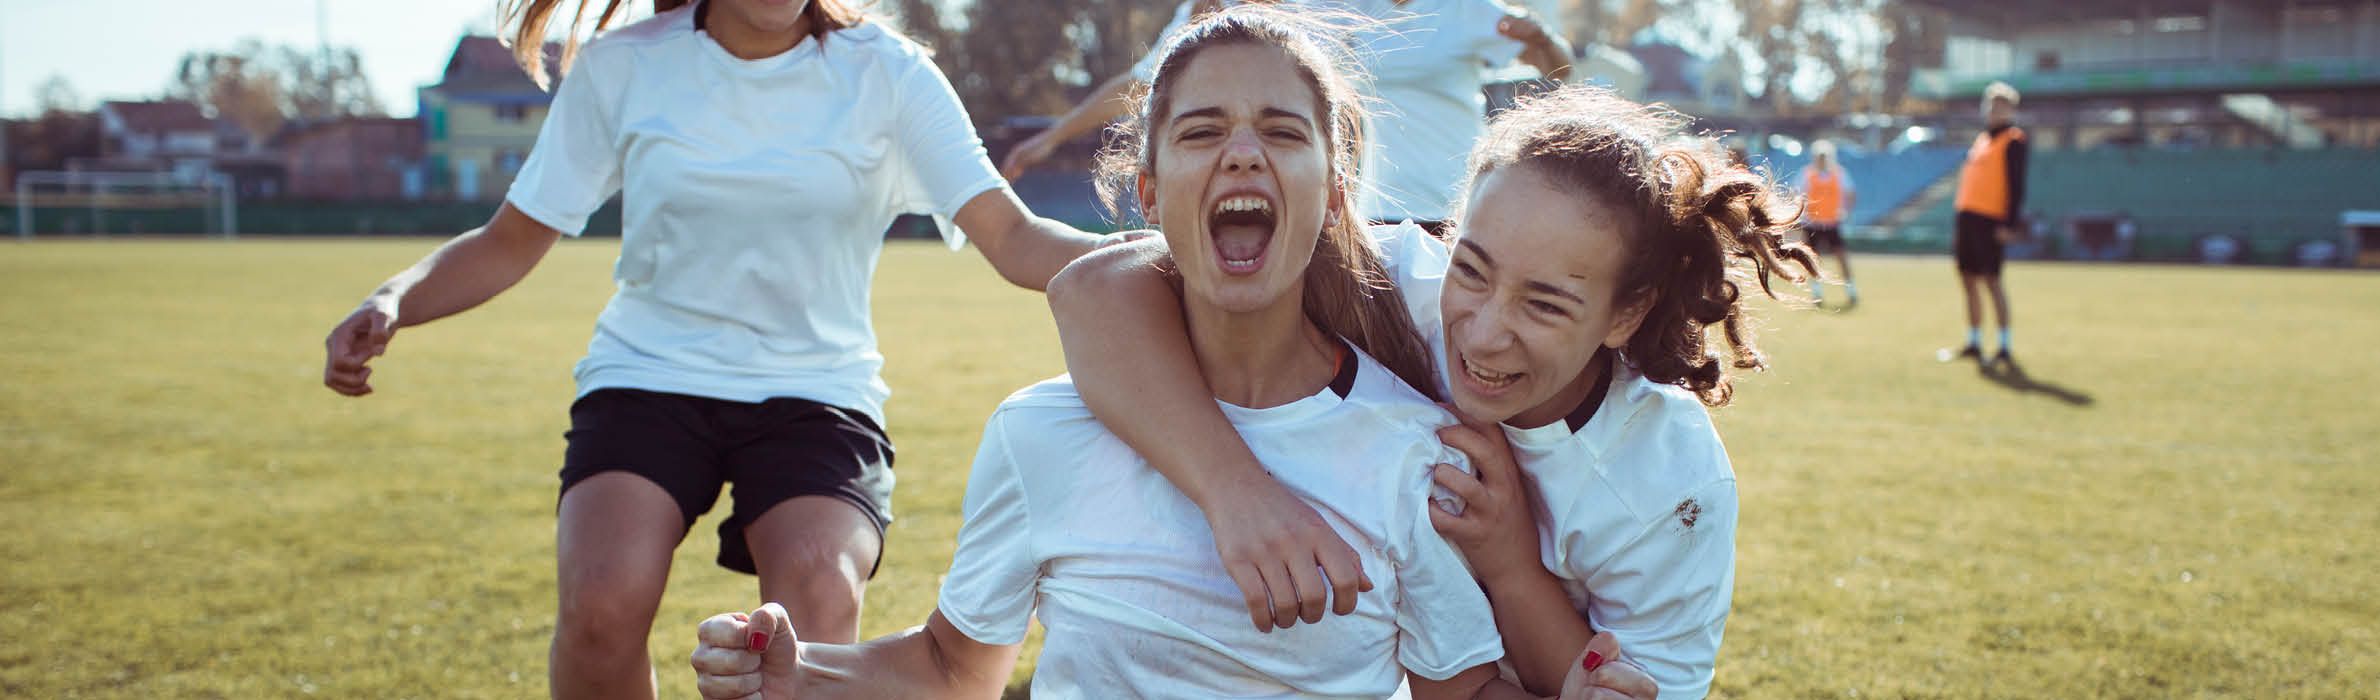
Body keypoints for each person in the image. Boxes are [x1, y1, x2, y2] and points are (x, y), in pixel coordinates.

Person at [687, 8, 1654, 698]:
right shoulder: (1041, 432)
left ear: (1337, 186)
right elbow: (949, 670)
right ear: (1148, 195)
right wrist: (797, 668)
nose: (1242, 155)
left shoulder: (1413, 449)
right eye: (1201, 133)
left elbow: (1461, 690)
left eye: (1283, 131)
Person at [318, 1, 1122, 696]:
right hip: (647, 379)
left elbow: (1014, 238)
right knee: (601, 603)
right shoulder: (626, 66)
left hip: (818, 394)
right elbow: (508, 241)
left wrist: (1154, 256)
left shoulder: (891, 74)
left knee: (814, 602)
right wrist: (395, 298)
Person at [1046, 84, 1816, 699]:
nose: (1482, 335)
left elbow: (1623, 686)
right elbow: (1096, 288)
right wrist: (1236, 493)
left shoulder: (1670, 480)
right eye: (1472, 268)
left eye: (1545, 305)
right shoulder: (1389, 284)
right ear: (1452, 234)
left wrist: (1511, 563)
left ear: (1626, 312)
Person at [1001, 0, 1572, 237]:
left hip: (1452, 221)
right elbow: (1148, 78)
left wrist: (1545, 41)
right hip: (1353, 224)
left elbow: (1560, 72)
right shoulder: (1311, 8)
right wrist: (1052, 137)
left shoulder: (1469, 11)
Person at [1947, 81, 2026, 367]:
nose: (1994, 111)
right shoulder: (1981, 140)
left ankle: (2004, 345)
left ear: (2011, 110)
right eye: (1991, 105)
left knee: (1992, 281)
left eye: (2001, 106)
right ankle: (1974, 341)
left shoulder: (2014, 140)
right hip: (1967, 218)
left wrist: (2009, 223)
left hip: (1990, 220)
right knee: (1967, 279)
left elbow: (2017, 186)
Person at [1797, 138, 1857, 309]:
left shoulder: (1840, 174)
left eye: (1825, 156)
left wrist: (1845, 211)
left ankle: (1851, 291)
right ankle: (1817, 294)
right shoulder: (1807, 174)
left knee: (1842, 258)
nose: (1822, 159)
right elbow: (1796, 194)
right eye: (1819, 156)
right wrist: (1802, 215)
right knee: (1813, 261)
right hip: (1813, 224)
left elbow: (1851, 194)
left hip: (1832, 223)